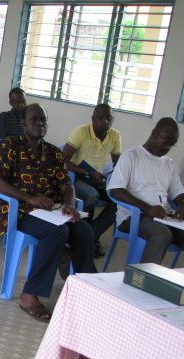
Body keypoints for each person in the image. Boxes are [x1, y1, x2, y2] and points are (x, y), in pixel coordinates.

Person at [0, 103, 96, 321]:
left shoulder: (54, 153)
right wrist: (28, 198)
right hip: (18, 211)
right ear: (23, 123)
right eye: (35, 119)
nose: (40, 123)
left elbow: (67, 186)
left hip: (50, 212)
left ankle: (86, 289)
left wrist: (69, 204)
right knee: (57, 233)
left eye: (43, 120)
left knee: (83, 229)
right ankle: (29, 295)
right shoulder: (9, 146)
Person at [107, 118, 184, 266]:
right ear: (154, 133)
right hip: (134, 217)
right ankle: (141, 282)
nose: (167, 147)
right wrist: (147, 209)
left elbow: (179, 193)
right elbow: (115, 190)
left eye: (171, 144)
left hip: (164, 217)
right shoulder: (131, 155)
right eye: (165, 141)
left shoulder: (168, 163)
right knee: (162, 234)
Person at [63, 104, 121, 257]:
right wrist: (88, 172)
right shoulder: (81, 131)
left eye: (108, 118)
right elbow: (63, 161)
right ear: (93, 118)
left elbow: (118, 163)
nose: (105, 122)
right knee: (91, 195)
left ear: (112, 120)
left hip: (101, 179)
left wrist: (108, 176)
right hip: (78, 176)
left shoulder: (114, 135)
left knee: (119, 202)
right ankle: (85, 238)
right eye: (100, 118)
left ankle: (91, 236)